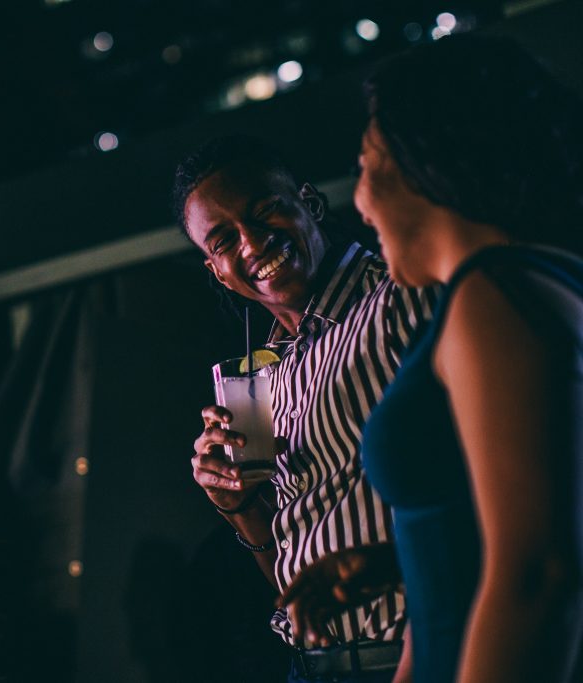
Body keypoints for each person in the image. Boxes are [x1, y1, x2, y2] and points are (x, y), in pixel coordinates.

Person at [279, 35, 583, 683]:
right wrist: (408, 557)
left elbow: (536, 572)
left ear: (418, 160)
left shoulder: (491, 297)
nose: (358, 204)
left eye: (363, 164)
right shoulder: (549, 278)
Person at [176, 135, 436, 682]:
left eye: (265, 209)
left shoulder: (400, 296)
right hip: (314, 665)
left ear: (310, 203)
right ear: (217, 271)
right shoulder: (271, 371)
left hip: (410, 655)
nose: (251, 242)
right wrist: (240, 506)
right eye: (224, 240)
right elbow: (289, 583)